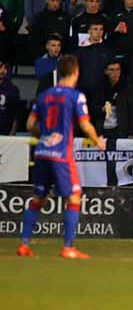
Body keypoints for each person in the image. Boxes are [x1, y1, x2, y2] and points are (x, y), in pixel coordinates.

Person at [17, 55, 105, 259]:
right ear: (76, 73)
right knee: (73, 198)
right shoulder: (76, 96)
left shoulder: (44, 95)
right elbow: (84, 124)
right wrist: (97, 140)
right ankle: (68, 247)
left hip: (41, 152)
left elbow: (30, 126)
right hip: (61, 156)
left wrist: (46, 136)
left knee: (39, 198)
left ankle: (24, 244)